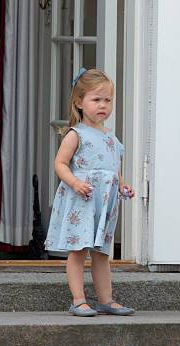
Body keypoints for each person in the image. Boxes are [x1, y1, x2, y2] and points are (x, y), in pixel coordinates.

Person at [45, 68, 135, 317]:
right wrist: (74, 182)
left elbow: (111, 170)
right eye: (96, 100)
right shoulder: (76, 134)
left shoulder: (110, 138)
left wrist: (123, 185)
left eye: (107, 100)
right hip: (82, 201)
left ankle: (106, 299)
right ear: (79, 102)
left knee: (101, 253)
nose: (103, 105)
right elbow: (60, 164)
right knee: (78, 250)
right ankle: (78, 299)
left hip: (103, 203)